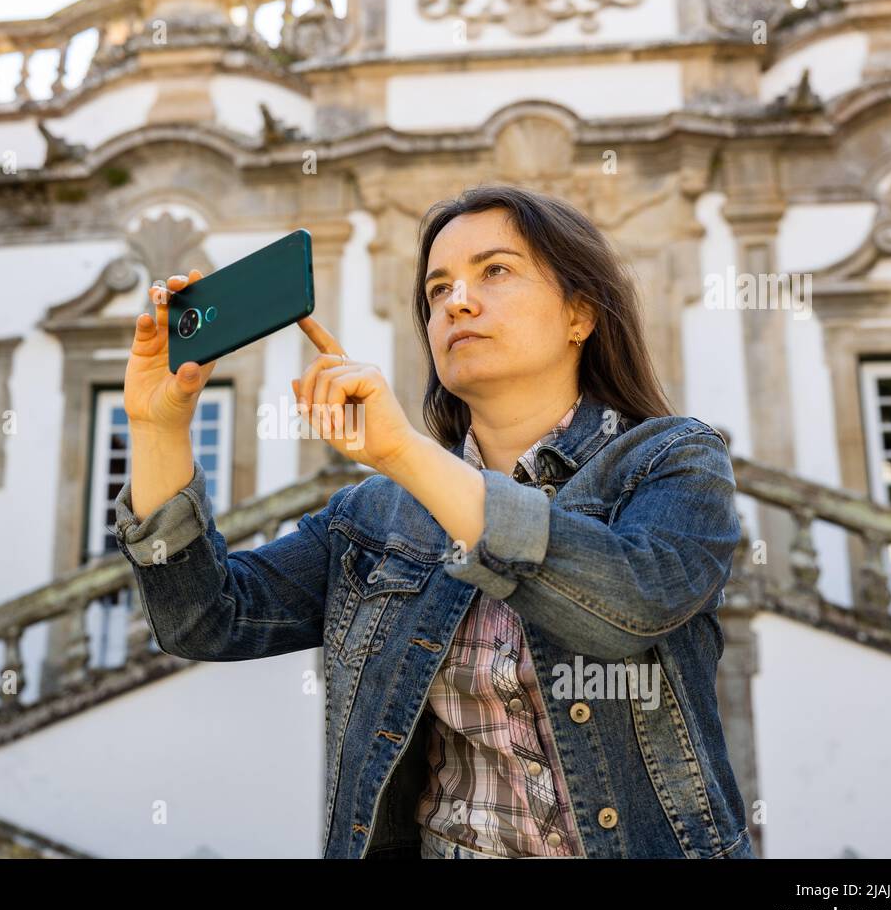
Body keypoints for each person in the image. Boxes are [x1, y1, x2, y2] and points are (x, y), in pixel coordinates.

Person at [114, 184, 753, 859]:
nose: (458, 301)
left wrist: (404, 454)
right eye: (437, 290)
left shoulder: (672, 460)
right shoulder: (375, 518)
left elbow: (631, 606)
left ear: (580, 313)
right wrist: (157, 429)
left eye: (495, 271)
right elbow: (205, 618)